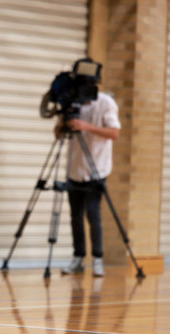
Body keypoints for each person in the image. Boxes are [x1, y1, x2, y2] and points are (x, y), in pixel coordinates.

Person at [56, 87, 120, 278]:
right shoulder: (72, 101)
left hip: (97, 170)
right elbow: (58, 134)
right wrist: (63, 123)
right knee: (75, 217)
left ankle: (98, 259)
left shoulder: (105, 102)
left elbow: (114, 133)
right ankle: (78, 258)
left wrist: (86, 126)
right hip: (74, 170)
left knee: (93, 215)